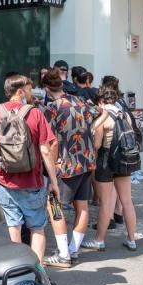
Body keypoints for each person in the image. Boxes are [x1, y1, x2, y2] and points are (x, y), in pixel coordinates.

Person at [0, 74, 60, 262]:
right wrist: (53, 182)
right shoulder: (35, 113)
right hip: (33, 181)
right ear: (20, 91)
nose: (31, 94)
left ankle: (17, 272)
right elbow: (46, 150)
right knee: (37, 229)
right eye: (29, 89)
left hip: (5, 181)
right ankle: (38, 274)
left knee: (13, 228)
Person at [40, 70, 98, 268]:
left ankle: (64, 254)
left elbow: (52, 142)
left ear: (46, 88)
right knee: (82, 205)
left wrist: (53, 166)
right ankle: (73, 250)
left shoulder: (51, 108)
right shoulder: (80, 101)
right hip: (86, 160)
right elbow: (100, 113)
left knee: (54, 205)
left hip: (65, 164)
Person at [83, 86, 138, 251]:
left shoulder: (102, 116)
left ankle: (99, 240)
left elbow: (97, 144)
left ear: (100, 100)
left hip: (106, 160)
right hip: (124, 159)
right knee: (127, 201)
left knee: (106, 203)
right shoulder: (125, 114)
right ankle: (132, 239)